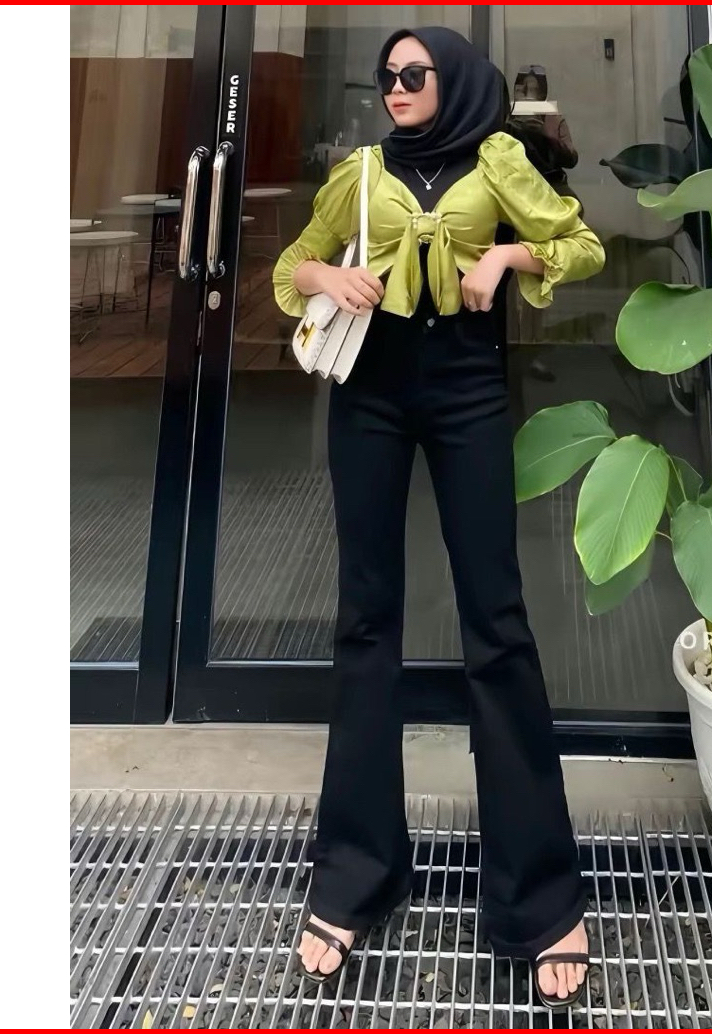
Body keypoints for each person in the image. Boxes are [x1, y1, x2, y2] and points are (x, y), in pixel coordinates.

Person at [272, 27, 605, 1010]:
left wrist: (504, 255)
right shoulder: (362, 170)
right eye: (387, 75)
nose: (396, 87)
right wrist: (327, 278)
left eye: (413, 74)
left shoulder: (496, 159)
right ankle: (355, 873)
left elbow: (578, 243)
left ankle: (539, 896)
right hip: (369, 396)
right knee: (364, 620)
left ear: (452, 79)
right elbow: (292, 264)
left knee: (495, 621)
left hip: (466, 390)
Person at [507, 65, 579, 201]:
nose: (528, 96)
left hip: (549, 183)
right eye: (523, 90)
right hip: (515, 183)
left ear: (541, 94)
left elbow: (572, 160)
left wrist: (549, 138)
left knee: (574, 204)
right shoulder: (506, 117)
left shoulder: (553, 119)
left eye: (533, 90)